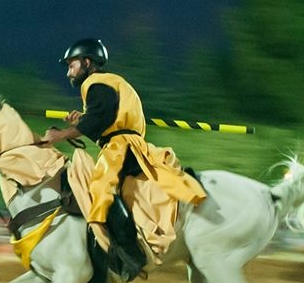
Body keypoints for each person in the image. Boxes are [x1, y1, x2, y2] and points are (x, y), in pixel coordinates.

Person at [42, 38, 206, 255]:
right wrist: (82, 122)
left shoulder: (96, 83)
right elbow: (105, 124)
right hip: (123, 142)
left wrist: (60, 135)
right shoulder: (111, 82)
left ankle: (118, 249)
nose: (69, 73)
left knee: (99, 188)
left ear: (87, 62)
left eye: (72, 66)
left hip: (121, 146)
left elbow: (99, 120)